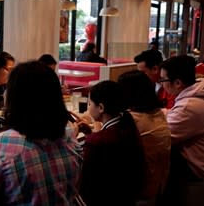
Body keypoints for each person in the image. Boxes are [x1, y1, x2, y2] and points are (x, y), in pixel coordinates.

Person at [0, 61, 82, 205]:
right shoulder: (70, 139)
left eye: (8, 88)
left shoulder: (0, 145)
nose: (5, 92)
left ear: (16, 98)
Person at [77, 80, 145, 206]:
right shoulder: (128, 126)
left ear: (101, 108)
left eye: (90, 103)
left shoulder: (98, 142)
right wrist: (90, 136)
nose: (88, 107)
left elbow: (83, 181)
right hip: (126, 198)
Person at [118, 70, 171, 204]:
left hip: (138, 190)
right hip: (158, 185)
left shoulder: (131, 119)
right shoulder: (158, 113)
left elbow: (106, 144)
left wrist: (95, 126)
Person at [159, 55, 204, 204]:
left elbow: (163, 137)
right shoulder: (195, 92)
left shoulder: (189, 106)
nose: (161, 84)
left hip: (194, 172)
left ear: (177, 83)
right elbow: (173, 114)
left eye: (163, 80)